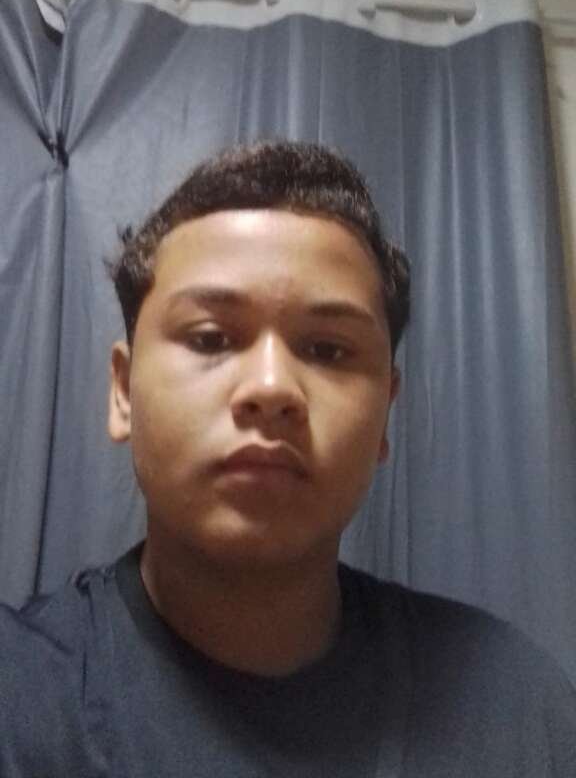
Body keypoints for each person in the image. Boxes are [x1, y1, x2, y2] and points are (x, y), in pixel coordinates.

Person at [0, 139, 575, 777]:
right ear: (123, 393)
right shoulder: (19, 702)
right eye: (211, 337)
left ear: (386, 413)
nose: (272, 387)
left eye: (327, 350)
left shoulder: (518, 711)